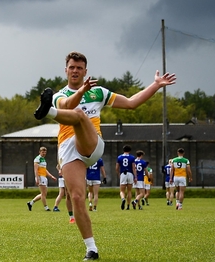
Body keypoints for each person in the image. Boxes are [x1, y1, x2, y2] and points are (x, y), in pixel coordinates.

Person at [34, 51, 176, 261]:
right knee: (77, 197)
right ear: (66, 70)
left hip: (93, 144)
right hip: (68, 149)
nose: (75, 71)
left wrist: (156, 85)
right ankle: (91, 249)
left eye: (79, 68)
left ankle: (47, 113)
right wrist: (81, 91)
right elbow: (66, 105)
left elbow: (131, 103)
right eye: (72, 67)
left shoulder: (98, 92)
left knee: (80, 115)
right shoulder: (58, 95)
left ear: (85, 71)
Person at [27, 147, 57, 212]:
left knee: (44, 194)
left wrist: (51, 176)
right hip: (40, 177)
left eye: (45, 152)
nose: (44, 153)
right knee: (43, 194)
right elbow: (36, 170)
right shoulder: (37, 159)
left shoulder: (43, 159)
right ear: (39, 152)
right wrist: (37, 178)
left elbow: (45, 170)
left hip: (44, 177)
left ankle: (31, 203)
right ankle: (46, 207)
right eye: (43, 152)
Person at [117, 145, 136, 210]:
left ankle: (123, 199)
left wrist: (119, 174)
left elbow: (117, 167)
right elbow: (133, 168)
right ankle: (128, 205)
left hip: (123, 174)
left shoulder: (119, 157)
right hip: (130, 174)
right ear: (130, 150)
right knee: (129, 191)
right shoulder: (132, 157)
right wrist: (135, 177)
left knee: (122, 190)